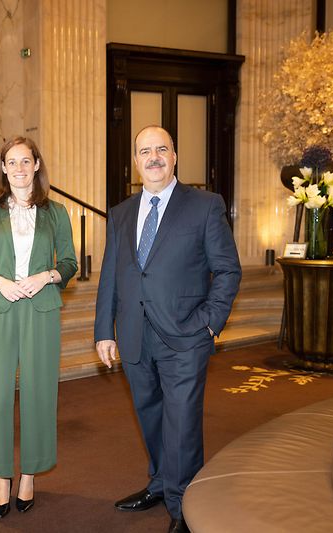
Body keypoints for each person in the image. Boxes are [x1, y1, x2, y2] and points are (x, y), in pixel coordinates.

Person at [94, 126, 241, 533]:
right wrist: (104, 330)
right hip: (134, 335)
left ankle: (184, 505)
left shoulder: (205, 205)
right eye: (145, 151)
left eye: (162, 149)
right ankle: (160, 483)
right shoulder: (120, 213)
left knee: (182, 423)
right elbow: (111, 276)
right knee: (151, 416)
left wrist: (210, 321)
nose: (154, 157)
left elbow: (228, 270)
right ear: (135, 162)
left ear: (174, 156)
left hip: (186, 335)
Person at [0, 137, 77, 518]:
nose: (19, 168)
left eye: (25, 161)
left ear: (37, 165)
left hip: (41, 309)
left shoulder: (56, 212)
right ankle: (1, 476)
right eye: (11, 162)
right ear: (3, 168)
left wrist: (46, 276)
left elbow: (69, 262)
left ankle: (29, 474)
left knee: (39, 392)